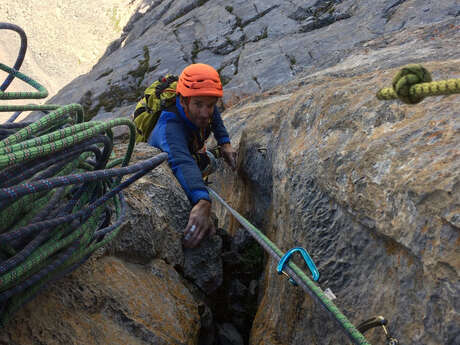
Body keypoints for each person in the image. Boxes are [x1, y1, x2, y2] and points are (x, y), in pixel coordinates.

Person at [148, 63, 237, 248]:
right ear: (182, 101)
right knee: (206, 162)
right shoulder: (169, 127)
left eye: (210, 105)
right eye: (198, 104)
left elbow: (215, 116)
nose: (205, 113)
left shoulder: (200, 105)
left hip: (187, 149)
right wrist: (202, 200)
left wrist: (225, 142)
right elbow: (182, 161)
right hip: (173, 156)